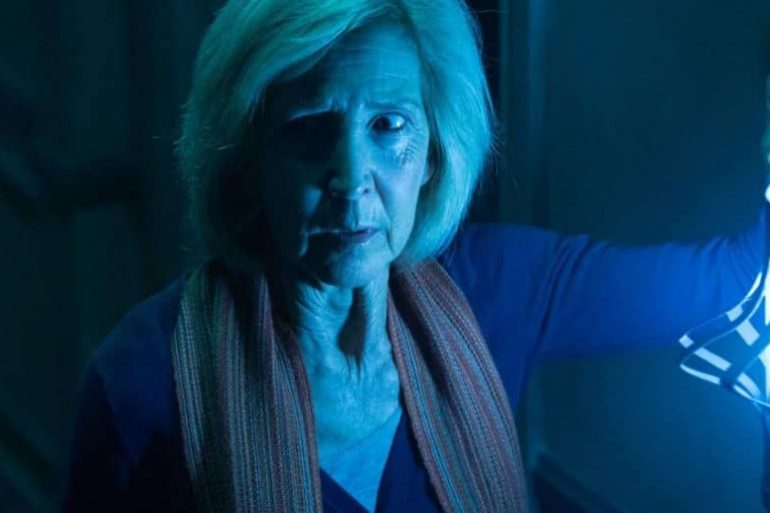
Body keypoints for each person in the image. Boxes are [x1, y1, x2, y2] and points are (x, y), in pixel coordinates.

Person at [60, 0, 768, 512]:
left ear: (433, 149)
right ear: (249, 159)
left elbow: (730, 280)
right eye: (309, 129)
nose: (351, 178)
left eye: (388, 125)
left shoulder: (494, 287)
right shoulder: (141, 383)